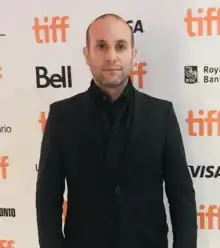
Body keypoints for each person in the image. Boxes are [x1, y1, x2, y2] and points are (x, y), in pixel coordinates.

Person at [36, 13, 197, 248]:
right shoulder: (62, 116)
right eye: (101, 46)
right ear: (87, 54)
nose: (111, 56)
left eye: (120, 46)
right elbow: (47, 198)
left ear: (133, 54)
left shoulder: (161, 115)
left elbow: (181, 196)